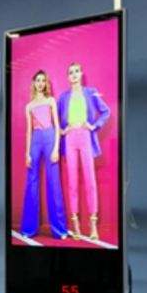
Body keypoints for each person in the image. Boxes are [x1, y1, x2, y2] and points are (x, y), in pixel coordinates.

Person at [57, 62, 110, 241]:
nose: (74, 74)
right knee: (72, 181)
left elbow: (106, 111)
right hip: (70, 138)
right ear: (67, 77)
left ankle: (93, 225)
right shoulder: (63, 97)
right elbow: (56, 119)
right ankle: (76, 226)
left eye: (77, 71)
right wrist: (62, 130)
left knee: (90, 180)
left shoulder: (91, 92)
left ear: (81, 74)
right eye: (70, 72)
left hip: (86, 136)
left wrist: (94, 126)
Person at [20, 70, 67, 239]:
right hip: (35, 140)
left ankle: (59, 229)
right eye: (37, 80)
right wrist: (27, 153)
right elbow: (28, 131)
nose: (40, 83)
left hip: (50, 137)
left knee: (53, 181)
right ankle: (28, 228)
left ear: (46, 83)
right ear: (33, 83)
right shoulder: (29, 106)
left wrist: (56, 148)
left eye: (43, 80)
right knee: (31, 181)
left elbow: (57, 125)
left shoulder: (51, 100)